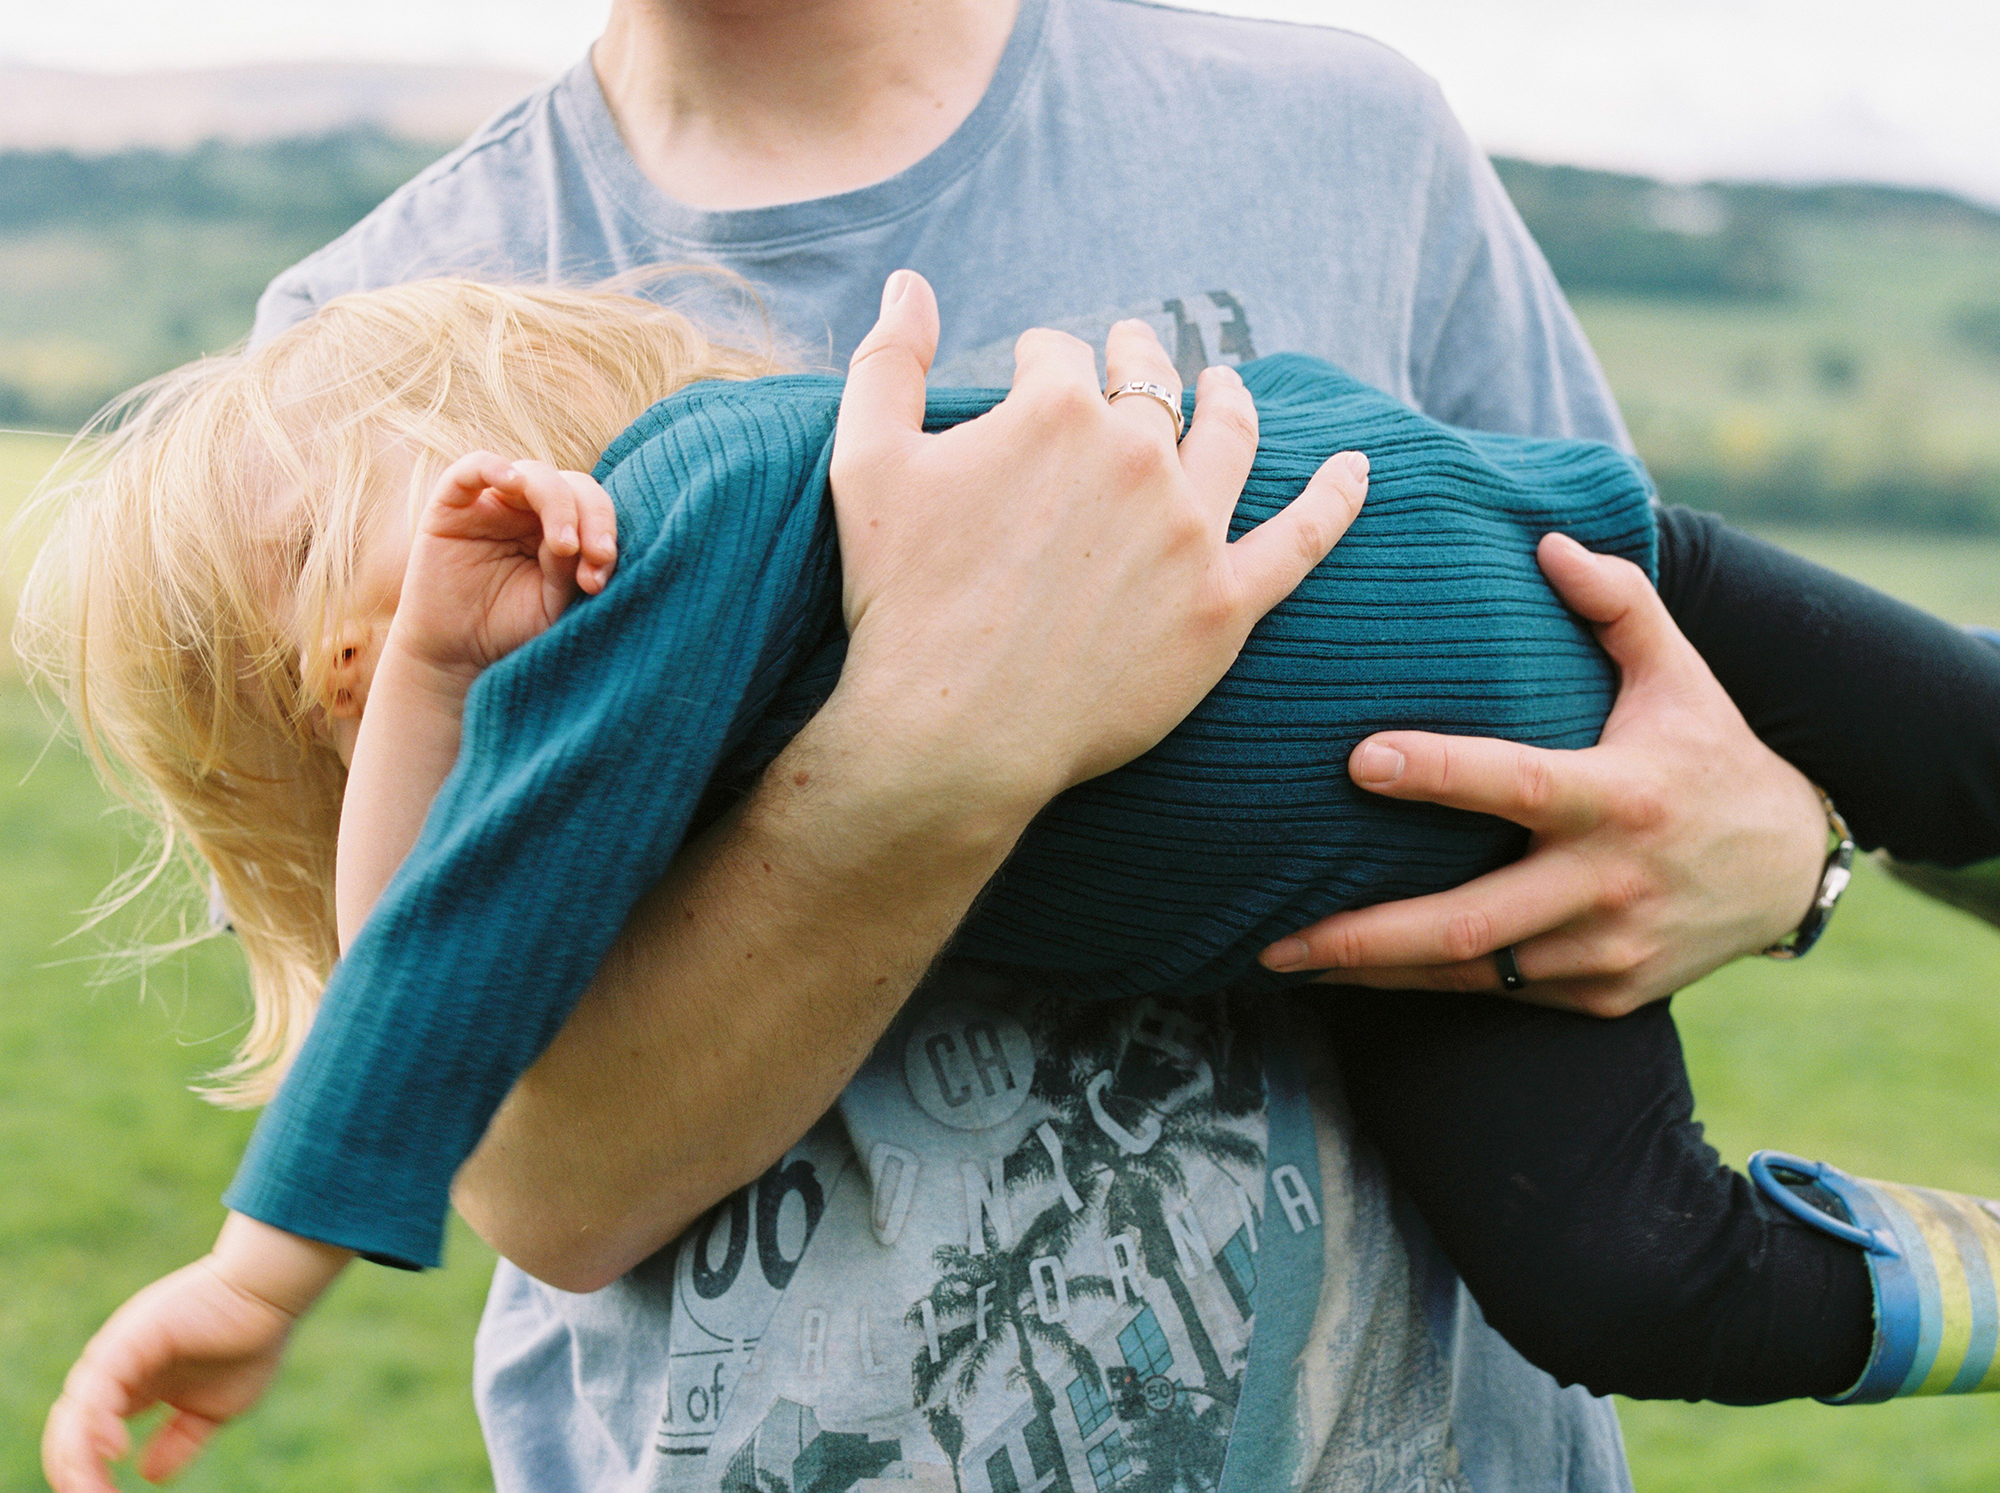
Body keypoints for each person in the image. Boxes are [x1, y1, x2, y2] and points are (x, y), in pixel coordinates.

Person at [37, 2, 2000, 1489]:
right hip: (1304, 951)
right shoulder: (344, 370)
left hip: (1511, 744)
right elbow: (480, 1038)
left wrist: (1782, 855)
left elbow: (1666, 676)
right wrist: (923, 753)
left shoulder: (1319, 142)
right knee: (1639, 1274)